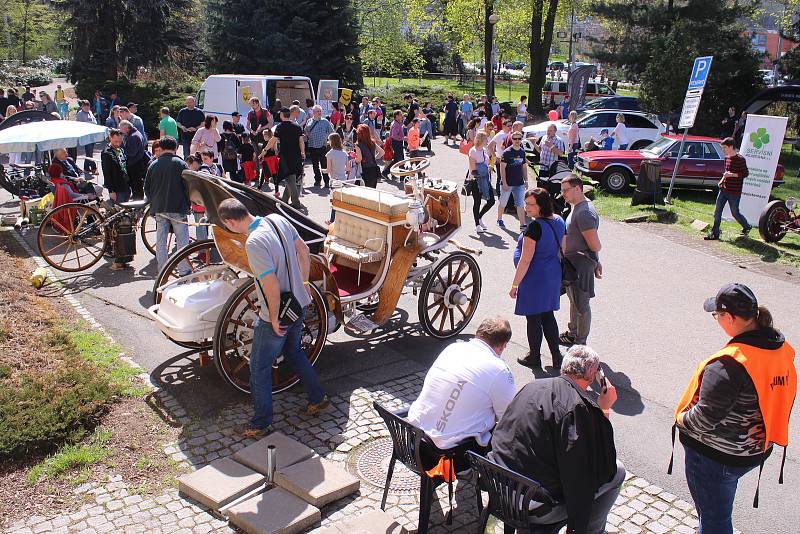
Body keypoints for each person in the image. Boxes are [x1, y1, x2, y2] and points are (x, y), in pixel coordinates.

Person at [674, 283, 796, 534]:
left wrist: (681, 419)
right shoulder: (779, 348)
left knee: (715, 521)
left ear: (729, 318)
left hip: (717, 458)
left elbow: (704, 420)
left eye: (717, 315)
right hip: (756, 449)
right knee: (716, 513)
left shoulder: (729, 365)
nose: (716, 320)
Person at [217, 198, 330, 438]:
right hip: (299, 302)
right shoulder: (278, 220)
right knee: (294, 352)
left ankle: (261, 423)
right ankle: (318, 398)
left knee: (259, 367)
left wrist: (274, 316)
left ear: (229, 222)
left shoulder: (254, 243)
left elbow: (270, 284)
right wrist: (305, 282)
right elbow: (304, 251)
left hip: (277, 313)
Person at [490, 345, 624, 534]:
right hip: (534, 503)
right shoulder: (577, 408)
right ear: (593, 373)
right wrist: (604, 408)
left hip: (500, 486)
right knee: (618, 472)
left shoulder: (532, 387)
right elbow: (597, 466)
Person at [407, 316, 515, 469]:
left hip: (413, 438)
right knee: (505, 433)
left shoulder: (452, 348)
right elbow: (508, 417)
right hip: (446, 454)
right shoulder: (500, 370)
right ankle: (484, 479)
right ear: (503, 346)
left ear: (478, 334)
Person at [510, 188, 566, 369]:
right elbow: (563, 248)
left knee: (533, 318)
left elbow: (526, 260)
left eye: (531, 204)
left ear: (542, 205)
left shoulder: (534, 227)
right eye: (526, 203)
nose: (526, 207)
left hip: (535, 277)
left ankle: (534, 356)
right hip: (552, 275)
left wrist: (514, 284)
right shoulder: (558, 220)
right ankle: (556, 356)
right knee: (548, 315)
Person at [559, 175, 601, 347]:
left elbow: (594, 244)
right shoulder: (578, 207)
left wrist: (595, 260)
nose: (563, 194)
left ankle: (580, 343)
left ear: (578, 188)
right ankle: (573, 333)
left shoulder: (584, 213)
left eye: (565, 190)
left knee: (581, 304)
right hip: (573, 264)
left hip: (580, 265)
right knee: (574, 300)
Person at [144, 136, 191, 273]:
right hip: (178, 207)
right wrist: (188, 204)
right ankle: (183, 270)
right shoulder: (181, 164)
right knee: (182, 241)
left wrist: (154, 202)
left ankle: (163, 270)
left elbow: (147, 188)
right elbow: (188, 187)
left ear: (161, 147)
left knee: (161, 241)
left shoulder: (153, 164)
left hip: (159, 207)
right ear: (176, 148)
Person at [706, 137, 751, 240]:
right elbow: (726, 172)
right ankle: (715, 233)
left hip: (734, 192)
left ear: (731, 147)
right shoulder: (726, 158)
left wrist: (732, 175)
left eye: (725, 148)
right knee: (717, 211)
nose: (723, 150)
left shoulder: (740, 159)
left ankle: (747, 227)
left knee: (735, 213)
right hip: (723, 190)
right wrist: (722, 180)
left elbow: (745, 174)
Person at [265, 108, 305, 208]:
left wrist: (265, 150)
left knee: (289, 179)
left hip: (285, 156)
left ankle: (296, 203)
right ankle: (284, 200)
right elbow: (301, 141)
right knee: (290, 178)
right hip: (296, 155)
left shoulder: (280, 127)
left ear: (282, 115)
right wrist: (303, 152)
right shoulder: (297, 126)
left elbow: (272, 141)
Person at [498, 132, 530, 232]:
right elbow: (502, 168)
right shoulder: (507, 152)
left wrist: (526, 180)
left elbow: (524, 167)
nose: (517, 141)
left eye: (519, 139)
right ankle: (499, 219)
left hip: (519, 183)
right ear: (512, 140)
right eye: (515, 139)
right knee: (503, 203)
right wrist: (504, 182)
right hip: (508, 183)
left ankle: (523, 224)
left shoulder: (522, 151)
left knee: (520, 204)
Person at [468, 132, 495, 233]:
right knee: (477, 202)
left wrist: (488, 167)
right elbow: (474, 170)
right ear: (480, 140)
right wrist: (484, 168)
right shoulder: (473, 151)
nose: (487, 141)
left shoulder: (484, 150)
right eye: (486, 139)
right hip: (476, 180)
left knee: (491, 201)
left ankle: (479, 217)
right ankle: (477, 224)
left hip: (485, 179)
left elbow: (485, 164)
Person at [304, 105, 335, 187]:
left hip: (322, 146)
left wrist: (328, 142)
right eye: (318, 111)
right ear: (313, 112)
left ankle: (326, 181)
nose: (319, 113)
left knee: (324, 165)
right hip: (312, 146)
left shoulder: (325, 121)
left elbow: (332, 133)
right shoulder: (309, 121)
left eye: (320, 111)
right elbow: (306, 132)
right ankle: (317, 180)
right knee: (315, 165)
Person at [119, 119, 147, 199]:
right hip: (136, 162)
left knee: (136, 183)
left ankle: (138, 200)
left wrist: (121, 147)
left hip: (135, 163)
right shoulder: (135, 134)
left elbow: (131, 152)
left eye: (121, 128)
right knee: (136, 183)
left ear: (126, 128)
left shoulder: (133, 136)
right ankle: (137, 197)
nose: (120, 130)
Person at [101, 128, 130, 203]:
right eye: (116, 141)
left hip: (125, 185)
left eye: (120, 141)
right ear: (110, 137)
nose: (118, 144)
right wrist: (111, 190)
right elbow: (106, 172)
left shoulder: (121, 150)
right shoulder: (106, 153)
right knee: (118, 211)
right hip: (116, 187)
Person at [355, 124, 384, 188]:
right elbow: (382, 152)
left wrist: (354, 160)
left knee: (365, 191)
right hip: (374, 170)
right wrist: (373, 158)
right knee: (373, 190)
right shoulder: (372, 142)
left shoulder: (358, 145)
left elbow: (359, 159)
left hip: (365, 170)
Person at [75, 100, 98, 175]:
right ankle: (94, 168)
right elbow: (79, 124)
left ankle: (86, 168)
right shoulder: (80, 114)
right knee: (89, 151)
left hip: (92, 135)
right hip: (85, 135)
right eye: (85, 106)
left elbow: (95, 122)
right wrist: (88, 124)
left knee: (90, 152)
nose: (87, 107)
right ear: (82, 106)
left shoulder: (90, 112)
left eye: (88, 106)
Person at [382, 110, 406, 177]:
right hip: (396, 143)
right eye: (401, 114)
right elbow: (394, 135)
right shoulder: (395, 124)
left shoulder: (397, 123)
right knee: (401, 159)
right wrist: (403, 138)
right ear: (397, 116)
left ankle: (385, 172)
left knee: (396, 160)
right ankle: (402, 176)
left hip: (397, 143)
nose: (402, 116)